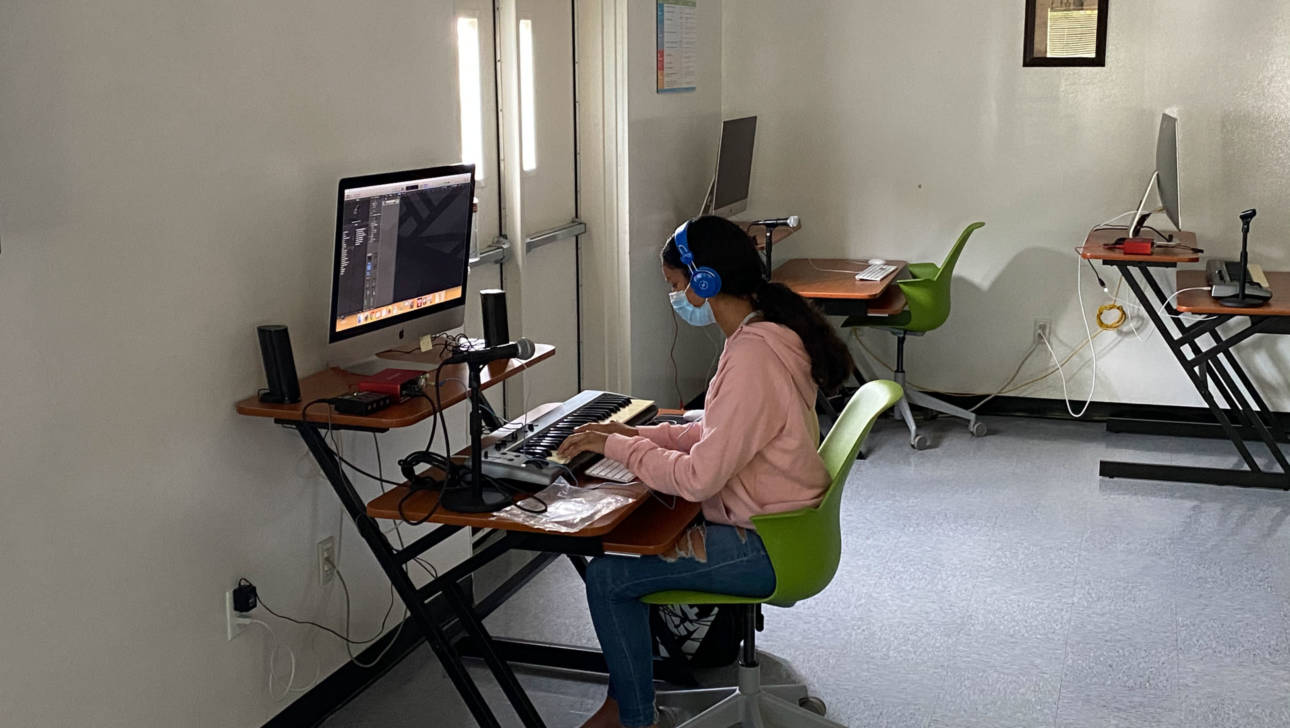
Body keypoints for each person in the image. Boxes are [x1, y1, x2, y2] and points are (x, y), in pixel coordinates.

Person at [555, 215, 854, 728]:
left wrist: (626, 452)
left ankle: (633, 718)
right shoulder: (768, 331)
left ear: (705, 281)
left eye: (676, 286)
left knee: (607, 577)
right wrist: (629, 437)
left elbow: (698, 477)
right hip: (789, 529)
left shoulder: (752, 356)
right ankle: (635, 697)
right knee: (634, 540)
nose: (675, 299)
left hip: (766, 545)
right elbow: (717, 433)